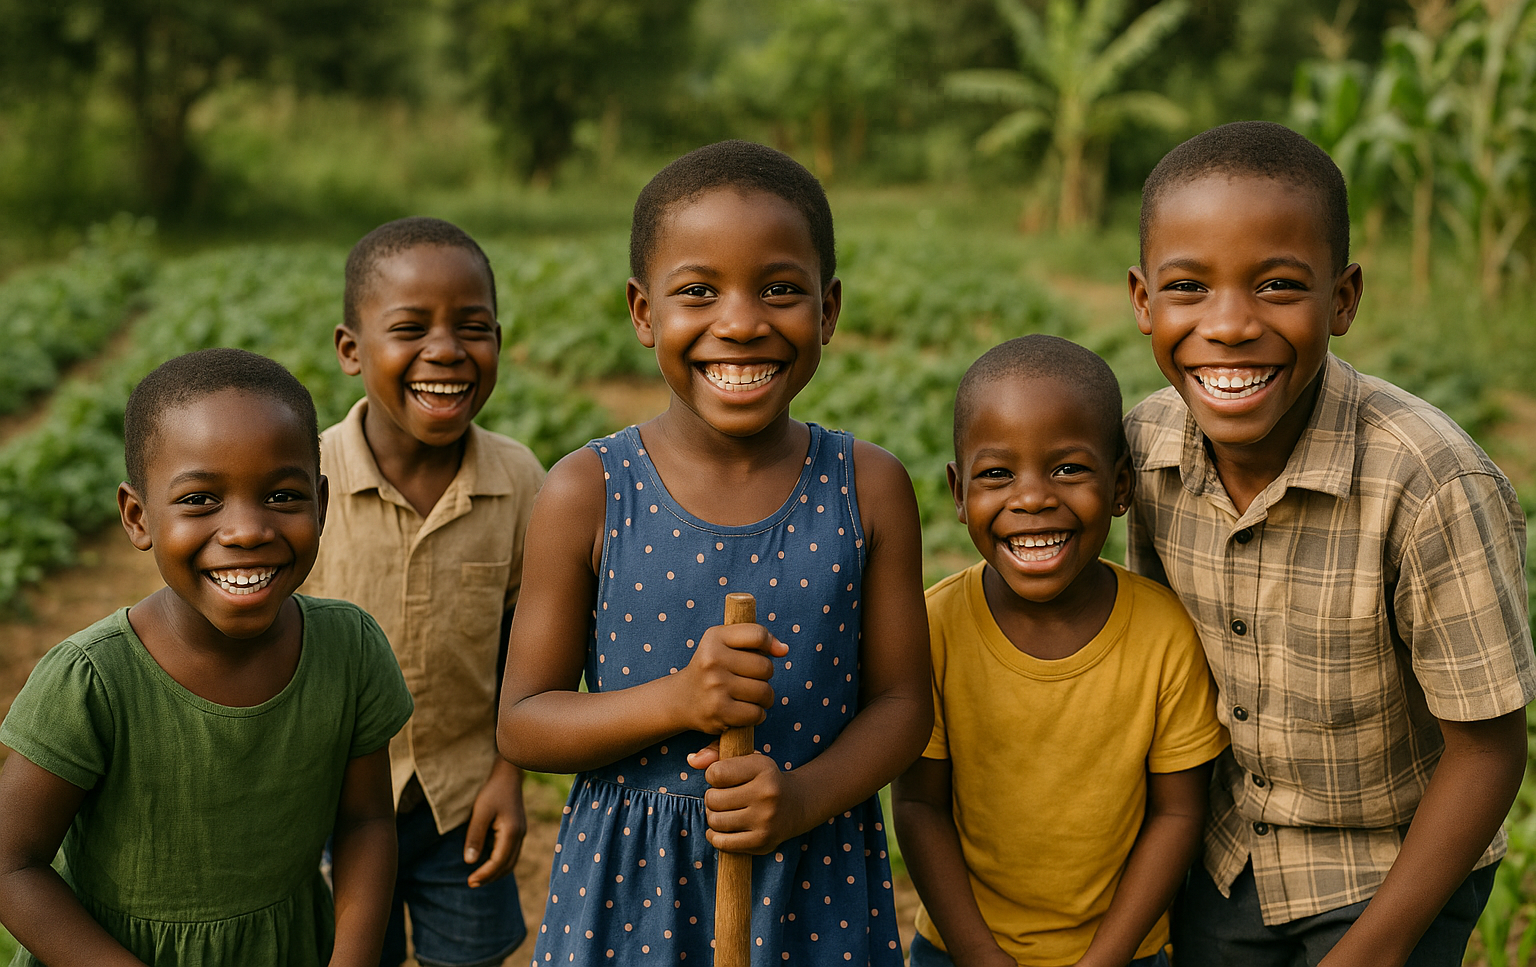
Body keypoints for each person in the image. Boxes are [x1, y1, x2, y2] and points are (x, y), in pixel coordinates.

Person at [498, 139, 932, 964]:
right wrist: (677, 699)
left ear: (829, 309)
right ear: (642, 312)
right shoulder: (587, 490)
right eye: (698, 291)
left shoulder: (868, 487)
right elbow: (524, 723)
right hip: (630, 890)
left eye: (780, 289)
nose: (740, 321)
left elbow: (904, 708)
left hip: (814, 875)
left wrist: (800, 800)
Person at [1125, 120, 1536, 966]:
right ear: (1143, 302)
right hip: (1225, 856)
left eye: (1277, 285)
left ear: (1342, 298)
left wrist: (1374, 951)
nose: (1230, 324)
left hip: (1395, 869)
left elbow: (1489, 750)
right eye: (1190, 287)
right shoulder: (1144, 451)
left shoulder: (1430, 481)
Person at [0, 348, 414, 967]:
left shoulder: (350, 650)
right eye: (199, 500)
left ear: (322, 505)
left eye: (281, 496)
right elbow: (12, 862)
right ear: (137, 517)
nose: (246, 530)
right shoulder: (92, 681)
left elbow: (365, 825)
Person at [893, 335, 1229, 967]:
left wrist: (1105, 959)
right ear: (958, 494)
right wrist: (978, 955)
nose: (1032, 498)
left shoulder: (1164, 634)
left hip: (1125, 954)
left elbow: (1178, 815)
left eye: (1069, 469)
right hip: (959, 952)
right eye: (996, 475)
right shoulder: (934, 626)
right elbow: (918, 806)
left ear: (1122, 486)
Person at [304, 216, 544, 967]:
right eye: (410, 328)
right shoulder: (300, 486)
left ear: (498, 341)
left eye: (473, 327)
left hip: (462, 802)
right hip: (322, 809)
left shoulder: (521, 482)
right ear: (351, 350)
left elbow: (526, 646)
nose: (445, 350)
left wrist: (511, 775)